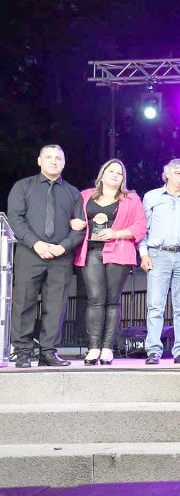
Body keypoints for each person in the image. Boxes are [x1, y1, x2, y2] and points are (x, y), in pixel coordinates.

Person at [7, 144, 86, 368]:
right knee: (24, 303)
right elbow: (15, 219)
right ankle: (22, 352)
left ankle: (48, 352)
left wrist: (63, 247)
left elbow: (80, 227)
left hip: (60, 257)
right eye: (48, 157)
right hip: (29, 254)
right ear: (39, 161)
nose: (53, 161)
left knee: (56, 305)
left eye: (58, 158)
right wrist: (37, 244)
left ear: (64, 163)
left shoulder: (72, 193)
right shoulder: (23, 187)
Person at [71, 159, 147, 365]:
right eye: (111, 171)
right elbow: (72, 216)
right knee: (95, 299)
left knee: (112, 301)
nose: (115, 175)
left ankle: (107, 348)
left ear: (123, 178)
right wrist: (73, 221)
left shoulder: (131, 199)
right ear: (102, 174)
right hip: (91, 251)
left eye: (119, 173)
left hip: (119, 251)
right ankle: (93, 348)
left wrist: (115, 233)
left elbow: (140, 227)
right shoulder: (85, 195)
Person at [139, 159, 180, 365]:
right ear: (166, 174)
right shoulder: (151, 197)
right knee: (155, 306)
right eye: (177, 173)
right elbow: (143, 229)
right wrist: (143, 254)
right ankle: (153, 351)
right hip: (158, 254)